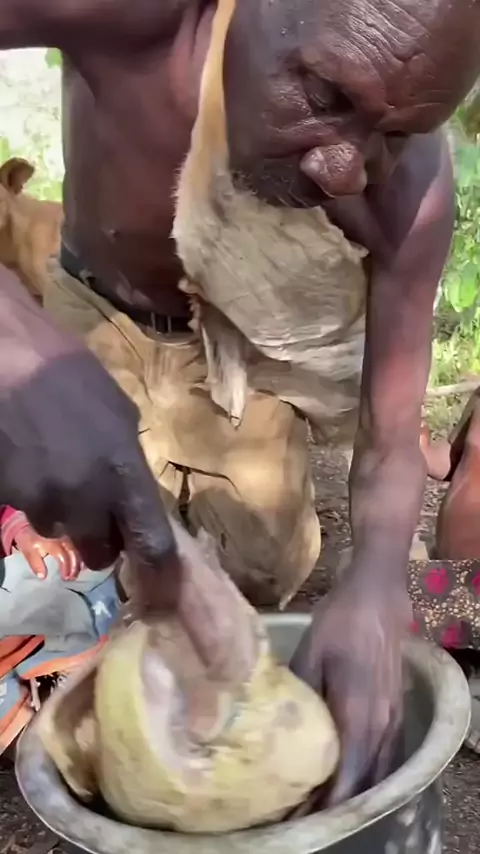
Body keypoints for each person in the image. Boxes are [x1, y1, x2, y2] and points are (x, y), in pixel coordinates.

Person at [0, 0, 479, 805]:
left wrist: (377, 579)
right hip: (94, 315)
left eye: (394, 135)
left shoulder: (412, 191)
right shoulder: (135, 17)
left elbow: (393, 437)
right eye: (326, 95)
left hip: (243, 357)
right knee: (57, 558)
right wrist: (13, 341)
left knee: (253, 570)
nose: (346, 171)